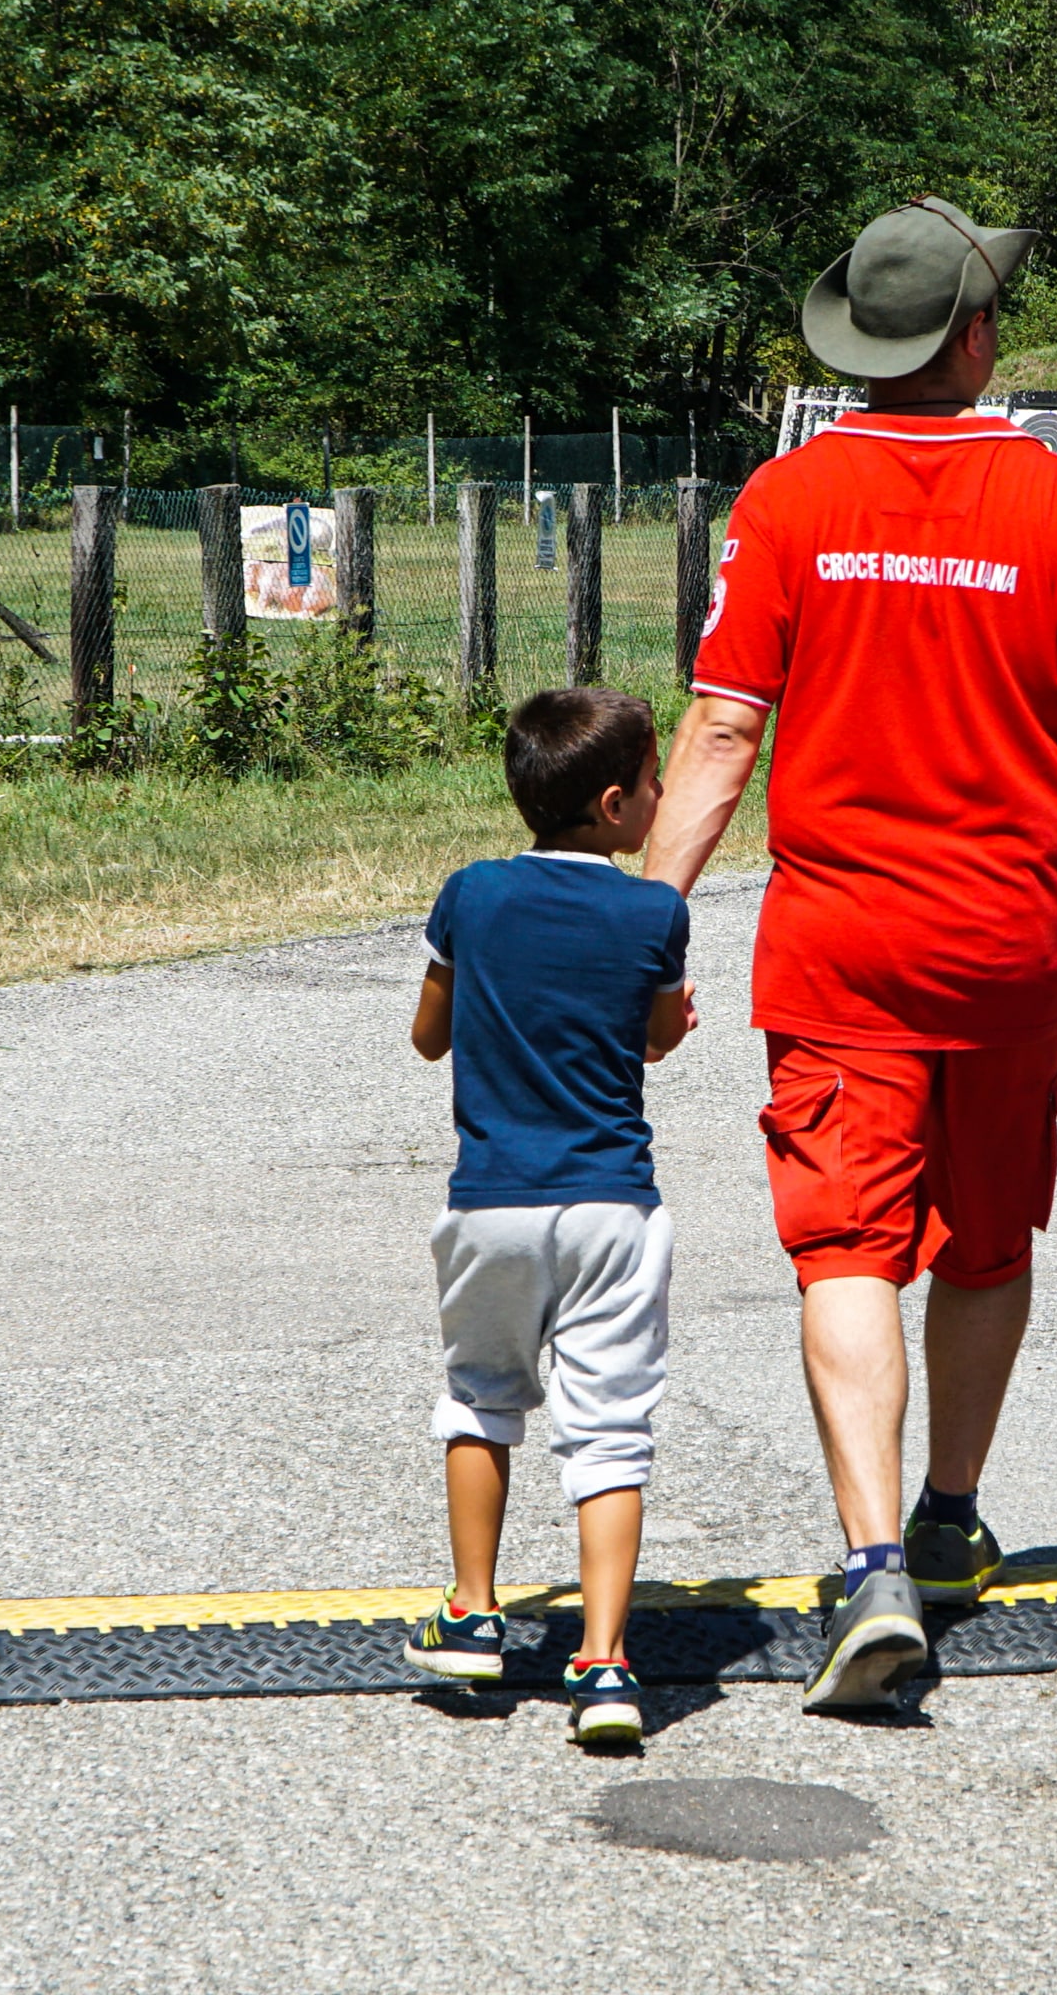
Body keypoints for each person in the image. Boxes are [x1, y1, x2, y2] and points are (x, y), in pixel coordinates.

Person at [643, 198, 1057, 1714]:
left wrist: (649, 916)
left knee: (846, 1249)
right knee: (989, 1237)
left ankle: (873, 1557)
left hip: (840, 948)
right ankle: (953, 1511)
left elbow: (723, 726)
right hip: (1012, 945)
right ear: (974, 335)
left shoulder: (787, 502)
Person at [401, 687, 697, 1751]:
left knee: (480, 1397)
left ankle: (475, 1610)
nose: (664, 794)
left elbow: (431, 1036)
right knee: (611, 1426)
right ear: (614, 805)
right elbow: (658, 1034)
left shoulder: (470, 896)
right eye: (655, 780)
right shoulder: (656, 912)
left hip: (492, 1205)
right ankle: (607, 1661)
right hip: (614, 1202)